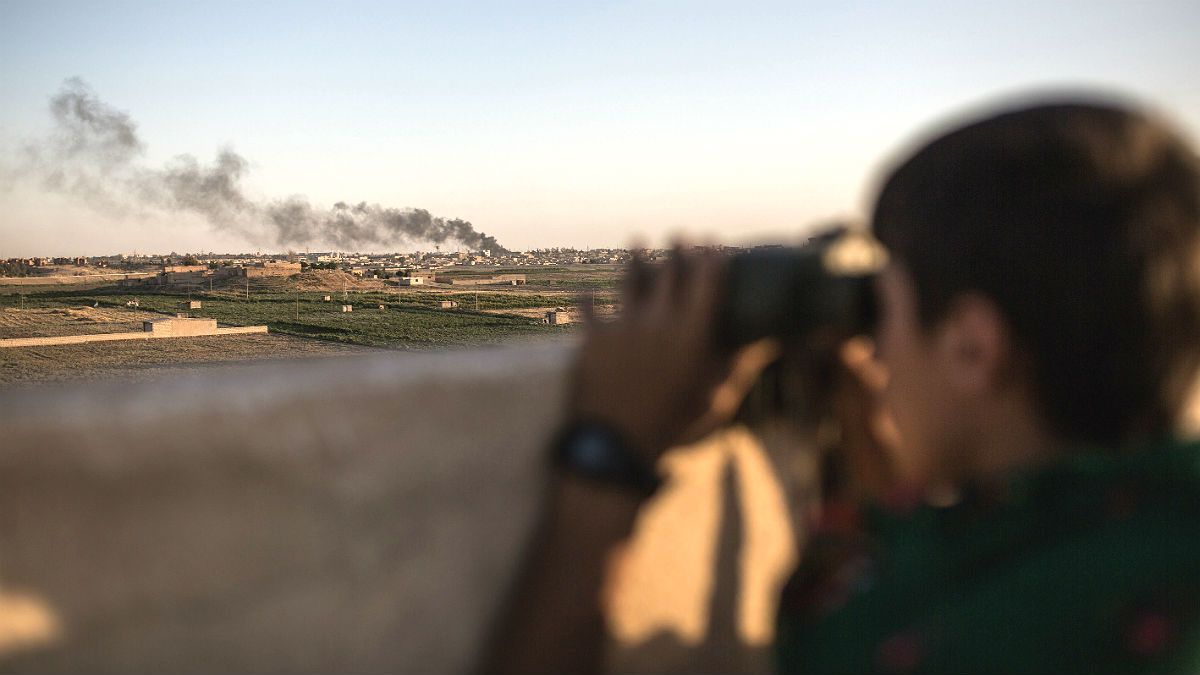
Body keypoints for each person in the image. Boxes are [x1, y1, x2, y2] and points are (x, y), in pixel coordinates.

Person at [482, 99, 1200, 674]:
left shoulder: (987, 641)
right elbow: (919, 568)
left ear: (974, 348)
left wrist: (613, 446)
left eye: (882, 312)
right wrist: (862, 431)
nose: (876, 349)